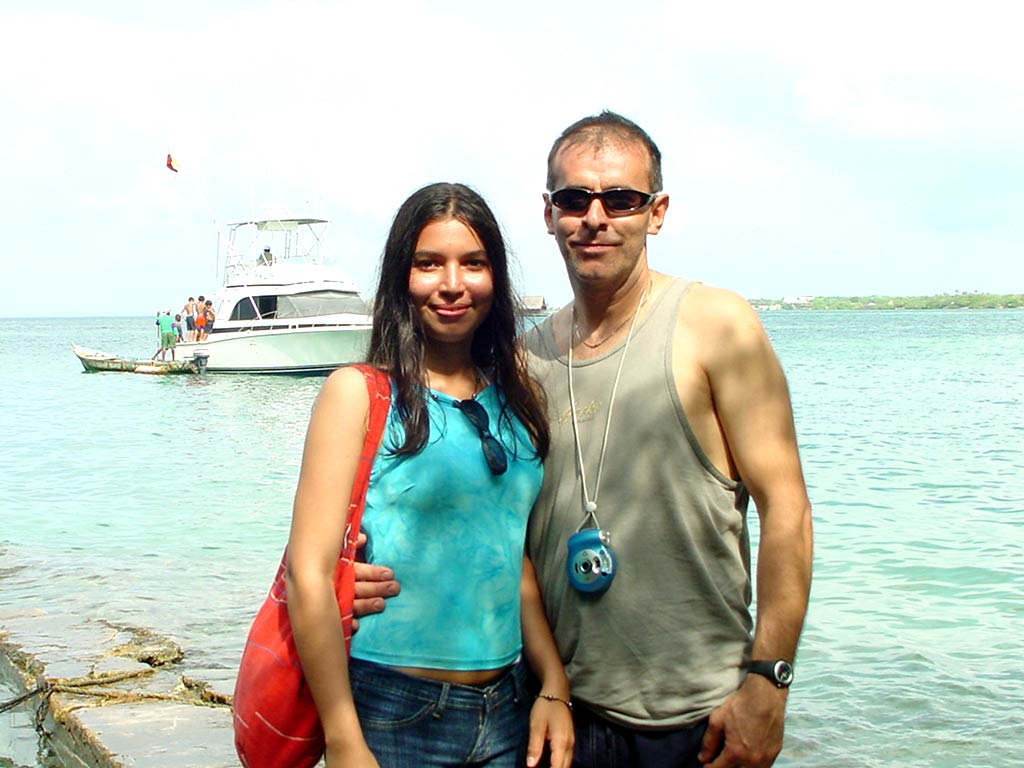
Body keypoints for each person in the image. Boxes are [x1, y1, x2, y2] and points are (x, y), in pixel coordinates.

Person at [353, 113, 813, 768]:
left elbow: (787, 510)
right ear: (549, 214)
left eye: (621, 199)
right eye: (575, 199)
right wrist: (350, 569)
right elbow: (481, 522)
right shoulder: (524, 361)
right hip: (553, 712)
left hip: (696, 715)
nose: (595, 217)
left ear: (657, 212)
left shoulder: (717, 326)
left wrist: (769, 681)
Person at [285, 182, 573, 768]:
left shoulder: (517, 397)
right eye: (429, 263)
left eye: (473, 263)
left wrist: (553, 684)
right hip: (393, 708)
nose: (452, 284)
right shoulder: (359, 393)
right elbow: (307, 572)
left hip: (509, 708)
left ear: (495, 277)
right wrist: (343, 737)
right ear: (401, 277)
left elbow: (512, 558)